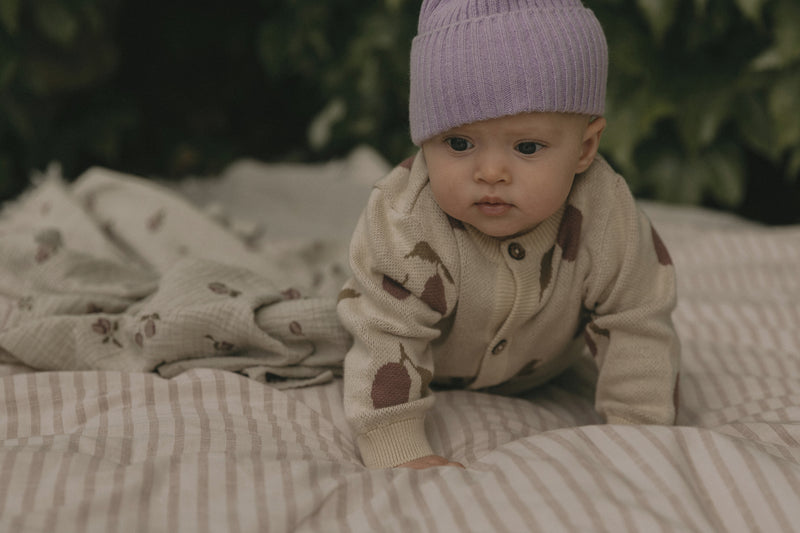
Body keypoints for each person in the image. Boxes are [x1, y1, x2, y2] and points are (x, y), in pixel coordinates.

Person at [337, 0, 680, 470]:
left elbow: (637, 320)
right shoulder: (406, 217)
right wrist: (397, 447)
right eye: (458, 143)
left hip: (544, 368)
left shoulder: (606, 213)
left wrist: (639, 436)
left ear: (584, 148)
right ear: (424, 140)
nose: (492, 172)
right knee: (338, 321)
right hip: (435, 361)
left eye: (527, 147)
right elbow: (383, 332)